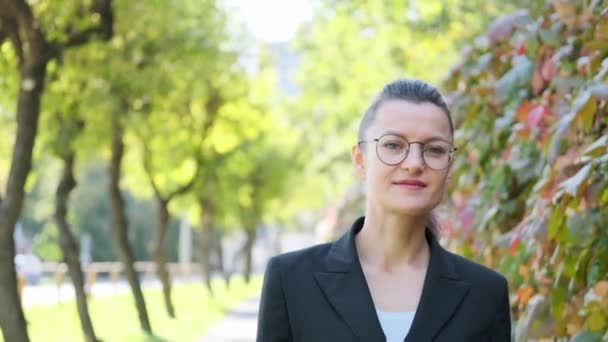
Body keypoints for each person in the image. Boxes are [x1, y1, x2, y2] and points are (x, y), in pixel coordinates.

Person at [256, 78, 511, 342]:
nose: (414, 163)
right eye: (393, 145)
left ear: (449, 167)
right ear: (359, 160)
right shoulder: (292, 281)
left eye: (434, 149)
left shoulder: (486, 294)